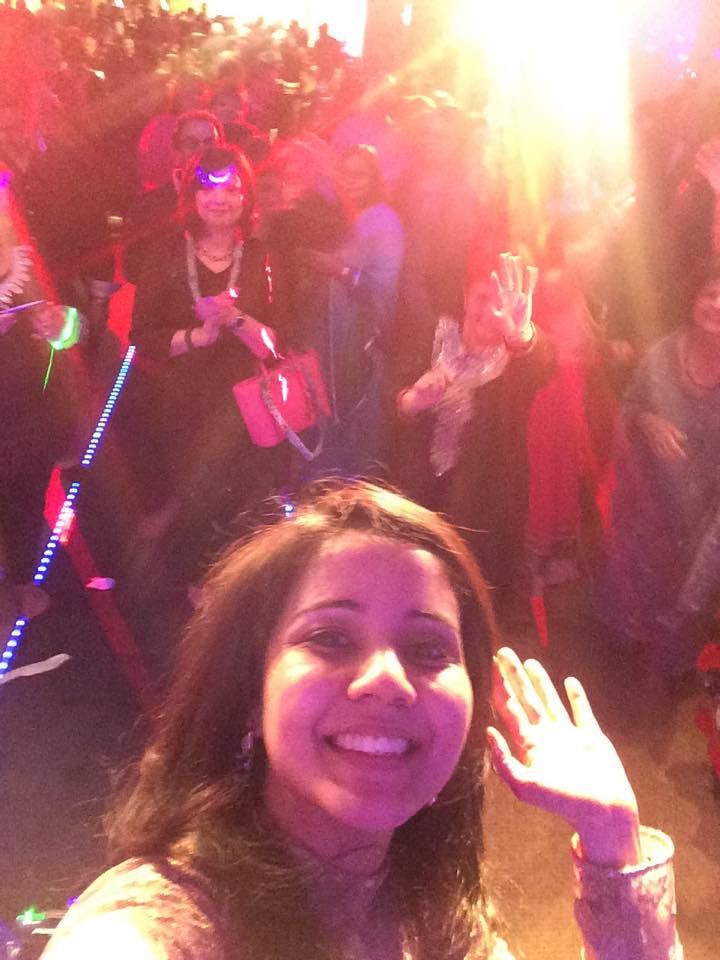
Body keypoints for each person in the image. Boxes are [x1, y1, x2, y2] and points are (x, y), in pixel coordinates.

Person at [41, 481, 680, 959]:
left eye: (428, 649)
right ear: (250, 693)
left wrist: (613, 841)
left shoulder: (433, 907)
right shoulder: (158, 925)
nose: (387, 679)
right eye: (330, 637)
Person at [127, 143, 281, 593]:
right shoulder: (167, 254)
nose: (220, 200)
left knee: (239, 497)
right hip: (180, 399)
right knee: (190, 492)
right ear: (192, 197)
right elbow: (142, 335)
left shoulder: (262, 256)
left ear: (246, 196)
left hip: (245, 402)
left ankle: (231, 584)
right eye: (209, 189)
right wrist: (196, 337)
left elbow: (279, 341)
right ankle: (193, 582)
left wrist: (237, 319)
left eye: (231, 189)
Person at [393, 254, 554, 599]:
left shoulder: (514, 364)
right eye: (483, 297)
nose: (492, 312)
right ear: (466, 297)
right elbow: (393, 394)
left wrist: (522, 335)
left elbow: (544, 362)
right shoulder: (432, 335)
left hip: (482, 510)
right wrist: (412, 401)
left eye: (501, 303)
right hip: (418, 493)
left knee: (468, 595)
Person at [595, 257, 720, 678]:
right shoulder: (663, 355)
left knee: (682, 615)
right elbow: (629, 407)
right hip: (643, 508)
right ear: (694, 299)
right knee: (616, 630)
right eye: (711, 294)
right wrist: (647, 422)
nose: (717, 305)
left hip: (701, 523)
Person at [303, 144, 404, 477]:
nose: (350, 181)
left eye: (359, 175)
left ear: (374, 179)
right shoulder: (339, 215)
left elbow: (385, 289)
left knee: (358, 432)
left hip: (363, 343)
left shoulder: (384, 220)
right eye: (344, 174)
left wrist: (341, 270)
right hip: (328, 341)